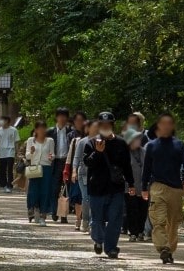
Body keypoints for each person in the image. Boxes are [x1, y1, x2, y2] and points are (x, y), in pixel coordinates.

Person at [142, 112, 184, 264]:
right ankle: (163, 247)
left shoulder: (179, 145)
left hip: (175, 189)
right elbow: (146, 168)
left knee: (173, 223)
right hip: (157, 187)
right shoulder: (151, 146)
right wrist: (144, 187)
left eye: (168, 123)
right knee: (158, 221)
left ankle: (169, 249)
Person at [81, 112, 135, 259]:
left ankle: (111, 247)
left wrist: (131, 183)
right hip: (97, 188)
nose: (105, 127)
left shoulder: (121, 143)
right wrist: (97, 153)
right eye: (102, 125)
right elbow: (87, 163)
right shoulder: (91, 143)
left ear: (112, 125)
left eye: (108, 124)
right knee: (97, 219)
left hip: (116, 187)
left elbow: (126, 165)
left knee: (115, 219)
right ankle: (98, 240)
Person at [24, 122, 56, 225]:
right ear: (36, 129)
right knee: (33, 191)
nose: (42, 130)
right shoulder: (30, 140)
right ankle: (32, 208)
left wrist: (51, 157)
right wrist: (32, 152)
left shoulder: (50, 141)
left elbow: (53, 154)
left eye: (44, 128)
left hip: (46, 168)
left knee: (45, 192)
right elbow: (28, 156)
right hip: (35, 168)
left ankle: (43, 216)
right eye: (40, 128)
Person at [47, 108, 76, 223]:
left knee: (66, 189)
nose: (62, 118)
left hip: (66, 163)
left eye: (64, 116)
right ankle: (54, 211)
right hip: (54, 162)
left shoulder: (71, 132)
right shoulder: (50, 132)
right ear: (56, 117)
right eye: (60, 116)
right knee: (54, 189)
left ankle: (64, 215)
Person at [125, 132, 149, 242]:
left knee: (143, 210)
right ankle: (133, 232)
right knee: (131, 209)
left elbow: (148, 168)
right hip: (130, 186)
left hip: (144, 186)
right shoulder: (125, 153)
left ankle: (140, 231)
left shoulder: (145, 152)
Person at [0, 117, 18, 193]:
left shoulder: (14, 130)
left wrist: (17, 152)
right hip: (2, 152)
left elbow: (16, 141)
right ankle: (3, 184)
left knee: (10, 169)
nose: (1, 122)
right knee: (2, 169)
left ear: (7, 121)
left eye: (3, 120)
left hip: (11, 151)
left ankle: (9, 185)